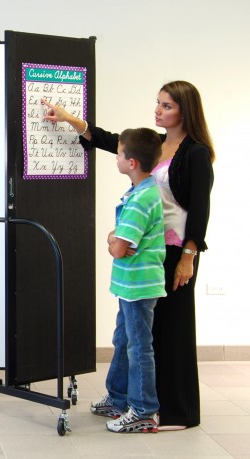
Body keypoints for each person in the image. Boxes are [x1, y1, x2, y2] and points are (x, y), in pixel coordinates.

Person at [41, 80, 215, 429]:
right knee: (142, 333)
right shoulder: (154, 144)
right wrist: (68, 118)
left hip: (176, 251)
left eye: (166, 105)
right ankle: (140, 401)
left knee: (172, 331)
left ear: (185, 110)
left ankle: (176, 411)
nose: (158, 110)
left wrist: (188, 256)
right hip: (149, 249)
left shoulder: (195, 153)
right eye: (158, 103)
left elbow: (200, 208)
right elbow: (110, 140)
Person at [97, 128, 166, 433]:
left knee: (139, 347)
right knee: (123, 340)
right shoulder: (139, 192)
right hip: (129, 285)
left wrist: (112, 240)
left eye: (120, 153)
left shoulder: (141, 200)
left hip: (138, 286)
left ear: (132, 162)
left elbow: (118, 247)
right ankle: (119, 397)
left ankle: (143, 410)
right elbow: (123, 243)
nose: (117, 156)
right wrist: (117, 240)